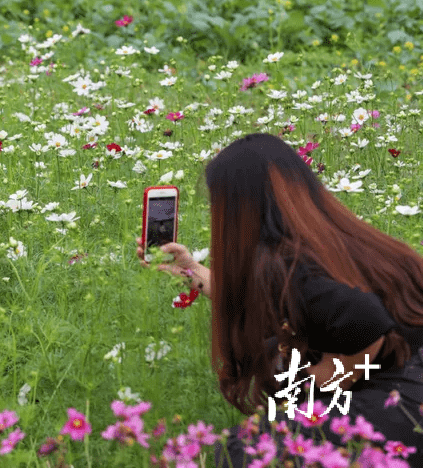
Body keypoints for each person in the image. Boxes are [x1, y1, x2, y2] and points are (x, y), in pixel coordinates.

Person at [135, 132, 423, 467]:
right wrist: (190, 270)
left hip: (403, 402)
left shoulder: (290, 264)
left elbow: (366, 321)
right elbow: (277, 303)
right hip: (411, 371)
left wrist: (314, 389)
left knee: (238, 454)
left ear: (239, 207)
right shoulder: (333, 237)